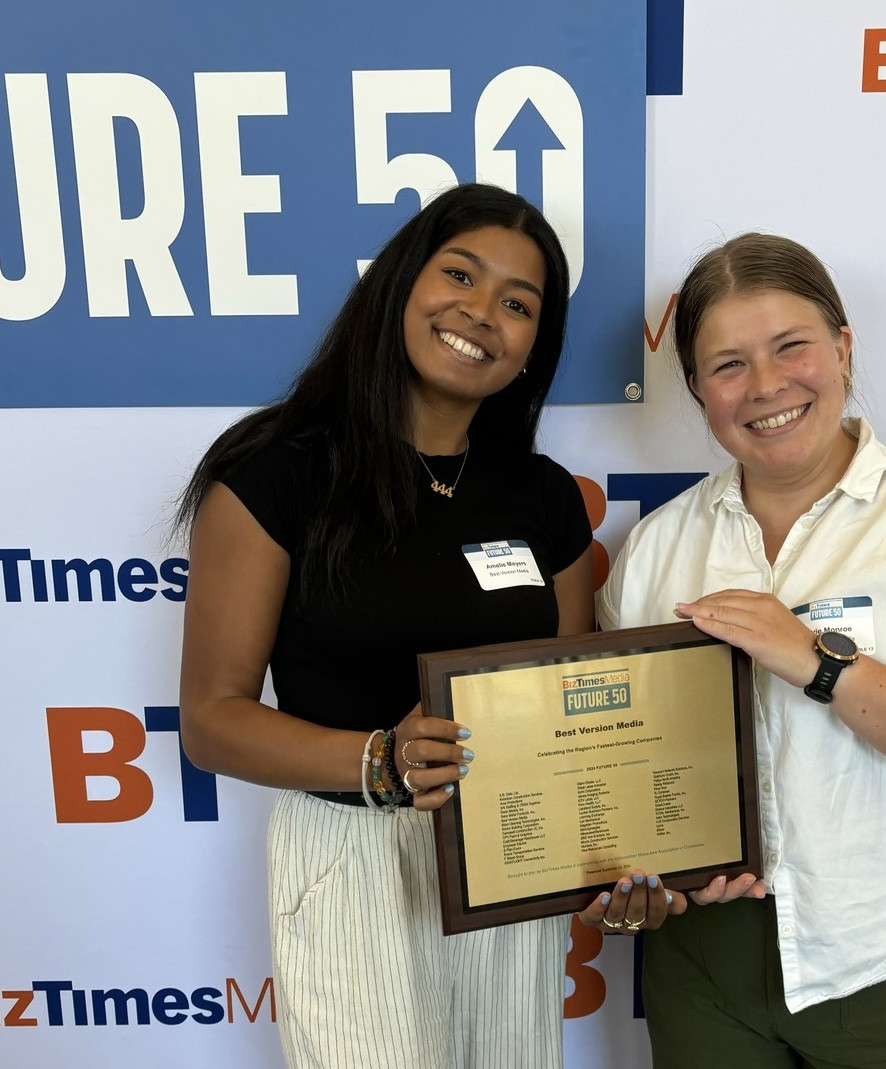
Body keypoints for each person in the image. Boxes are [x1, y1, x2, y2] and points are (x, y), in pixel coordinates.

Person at [594, 233, 886, 1067]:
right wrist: (650, 874)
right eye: (727, 365)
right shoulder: (656, 549)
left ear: (843, 350)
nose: (768, 386)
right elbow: (623, 773)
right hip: (705, 966)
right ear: (697, 390)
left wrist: (816, 661)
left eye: (791, 347)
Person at [177, 183, 595, 1069]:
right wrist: (380, 760)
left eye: (518, 305)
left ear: (532, 347)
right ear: (401, 283)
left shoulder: (543, 495)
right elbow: (212, 719)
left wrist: (616, 846)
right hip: (351, 851)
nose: (480, 313)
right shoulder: (276, 472)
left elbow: (573, 707)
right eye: (460, 275)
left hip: (507, 848)